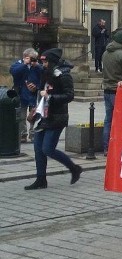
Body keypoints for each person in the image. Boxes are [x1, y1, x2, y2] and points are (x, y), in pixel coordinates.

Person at [24, 49, 83, 190]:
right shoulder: (46, 73)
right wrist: (35, 90)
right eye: (42, 61)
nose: (43, 64)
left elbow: (69, 95)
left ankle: (74, 168)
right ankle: (41, 179)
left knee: (48, 149)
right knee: (38, 149)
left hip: (57, 117)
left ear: (52, 62)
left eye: (45, 62)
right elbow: (43, 90)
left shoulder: (64, 75)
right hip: (42, 115)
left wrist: (50, 97)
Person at [100, 30, 122, 155]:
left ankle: (106, 147)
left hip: (107, 89)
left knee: (108, 120)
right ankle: (119, 146)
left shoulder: (105, 53)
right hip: (119, 90)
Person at [9, 48, 43, 143]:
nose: (33, 61)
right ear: (25, 57)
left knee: (33, 115)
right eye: (32, 59)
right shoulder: (18, 64)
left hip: (33, 94)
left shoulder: (36, 66)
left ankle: (32, 133)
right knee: (22, 116)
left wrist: (36, 87)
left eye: (35, 59)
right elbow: (13, 72)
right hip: (21, 93)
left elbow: (44, 76)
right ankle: (23, 134)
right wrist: (25, 64)